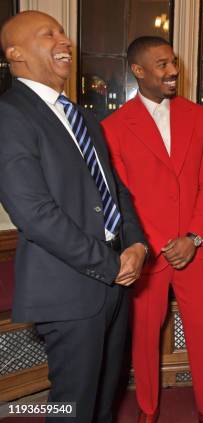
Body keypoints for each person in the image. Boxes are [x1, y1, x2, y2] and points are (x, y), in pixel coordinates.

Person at [0, 11, 148, 423]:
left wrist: (136, 244)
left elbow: (117, 190)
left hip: (114, 285)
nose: (65, 40)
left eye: (63, 32)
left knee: (105, 399)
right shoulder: (9, 114)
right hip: (68, 290)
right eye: (49, 34)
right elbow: (34, 214)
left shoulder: (82, 116)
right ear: (16, 53)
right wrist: (111, 263)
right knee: (73, 408)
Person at [101, 36, 203, 423]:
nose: (173, 71)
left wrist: (192, 238)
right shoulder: (113, 127)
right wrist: (152, 244)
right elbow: (120, 199)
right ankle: (148, 409)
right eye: (161, 64)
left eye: (173, 62)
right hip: (147, 255)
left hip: (196, 249)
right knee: (143, 339)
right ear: (138, 71)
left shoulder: (202, 118)